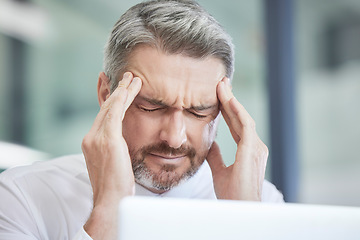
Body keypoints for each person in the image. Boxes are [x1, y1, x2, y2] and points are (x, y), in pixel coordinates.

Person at [0, 0, 283, 239]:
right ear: (106, 95)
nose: (174, 138)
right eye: (151, 107)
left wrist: (246, 220)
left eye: (199, 111)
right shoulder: (20, 198)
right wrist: (109, 211)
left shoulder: (262, 203)